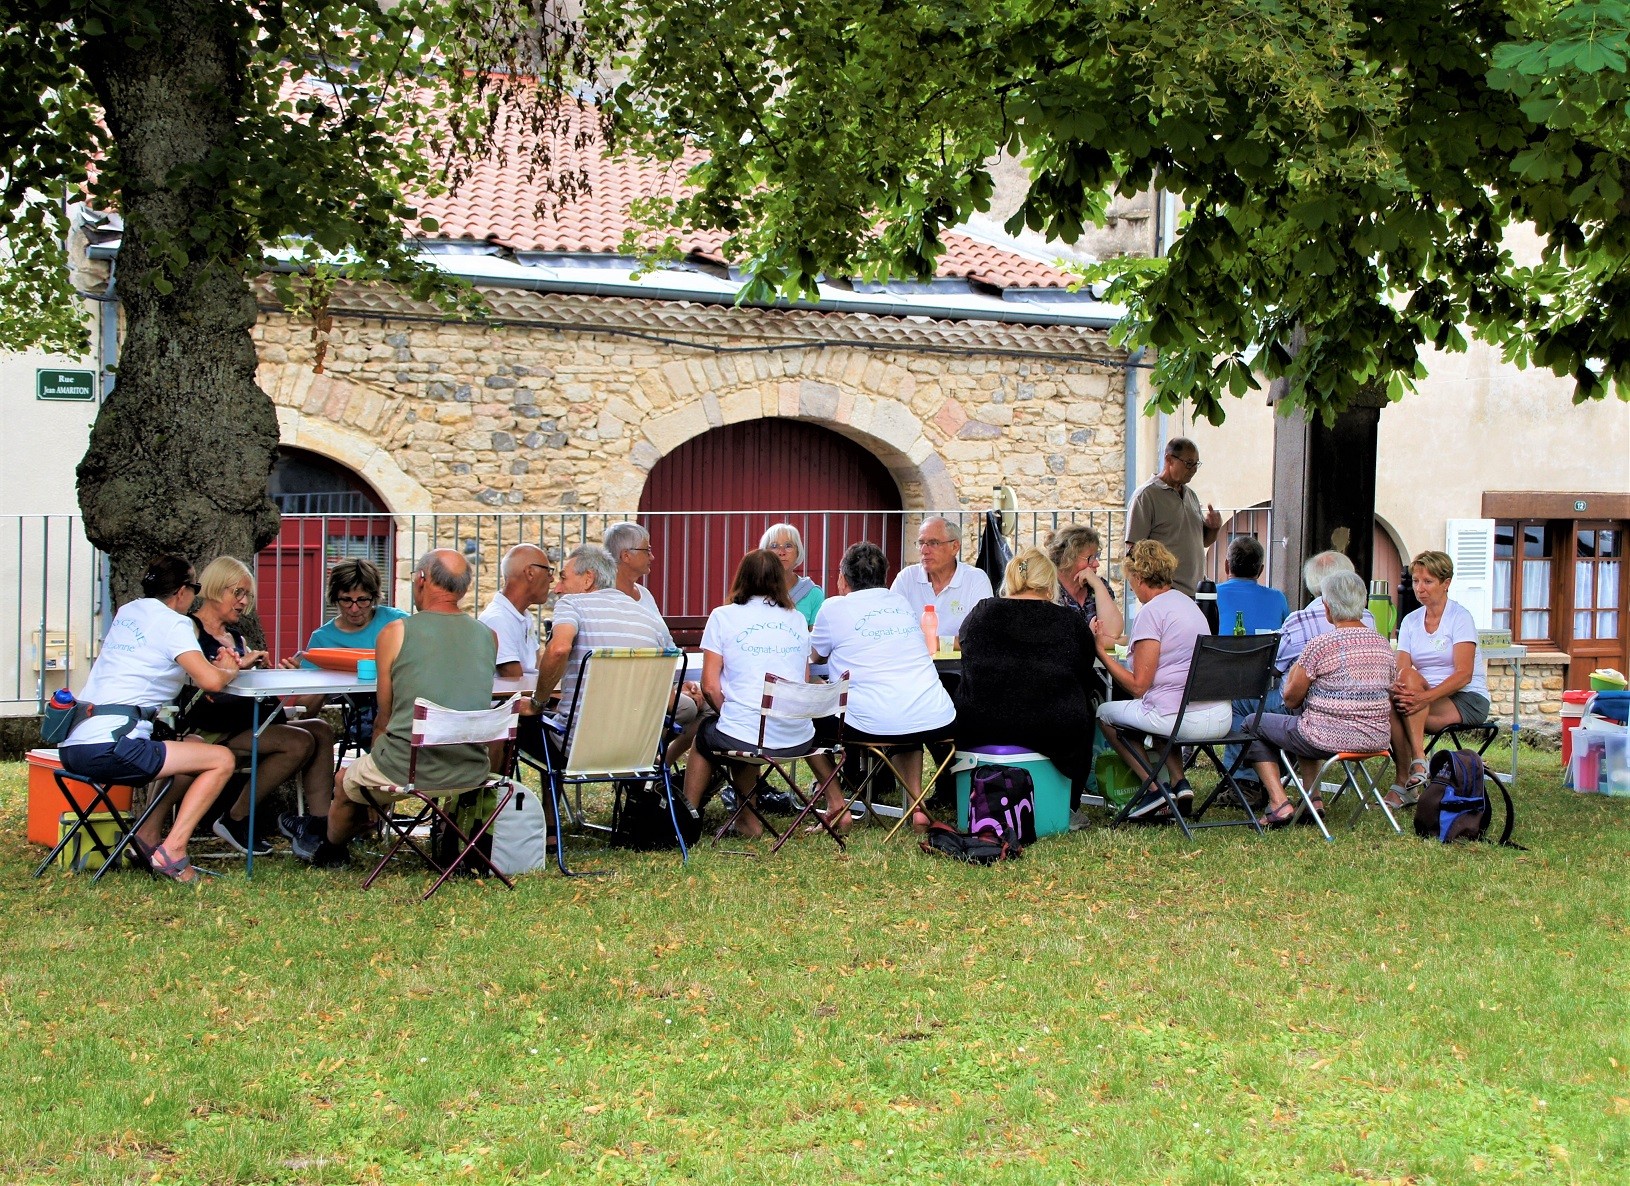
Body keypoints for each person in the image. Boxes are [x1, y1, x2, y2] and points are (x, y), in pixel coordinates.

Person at [292, 550, 498, 867]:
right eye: (347, 600)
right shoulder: (489, 636)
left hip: (410, 768)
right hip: (472, 768)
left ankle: (330, 850)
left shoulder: (396, 632)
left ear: (421, 580)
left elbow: (384, 718)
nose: (356, 608)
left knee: (346, 782)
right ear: (464, 588)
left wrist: (378, 756)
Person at [56, 554, 240, 883]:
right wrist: (227, 669)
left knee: (194, 747)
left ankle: (146, 838)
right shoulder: (176, 623)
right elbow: (211, 682)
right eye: (195, 588)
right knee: (222, 759)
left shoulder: (129, 612)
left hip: (74, 743)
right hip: (113, 746)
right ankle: (174, 852)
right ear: (183, 591)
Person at [181, 557, 337, 856]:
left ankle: (320, 828)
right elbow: (197, 682)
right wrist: (239, 667)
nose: (243, 602)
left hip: (246, 720)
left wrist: (275, 675)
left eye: (247, 596)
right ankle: (235, 818)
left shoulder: (236, 637)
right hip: (211, 725)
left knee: (321, 729)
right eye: (237, 593)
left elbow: (246, 685)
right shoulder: (191, 630)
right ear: (214, 588)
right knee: (298, 741)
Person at [802, 542, 956, 833]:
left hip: (871, 723)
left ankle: (837, 806)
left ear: (843, 579)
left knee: (806, 720)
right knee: (905, 724)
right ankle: (917, 807)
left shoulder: (833, 607)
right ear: (885, 576)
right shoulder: (900, 603)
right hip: (934, 718)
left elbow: (814, 656)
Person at [952, 547, 1100, 820]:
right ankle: (1068, 803)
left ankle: (955, 793)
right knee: (1086, 707)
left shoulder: (983, 612)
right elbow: (1084, 671)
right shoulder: (1070, 621)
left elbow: (964, 651)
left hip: (984, 725)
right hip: (1055, 729)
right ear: (1049, 583)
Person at [1240, 572, 1396, 827]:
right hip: (1375, 740)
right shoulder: (1383, 645)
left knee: (1252, 722)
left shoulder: (1320, 645)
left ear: (1327, 607)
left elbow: (1290, 699)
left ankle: (1279, 803)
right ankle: (1313, 798)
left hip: (1327, 739)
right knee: (1308, 717)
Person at [1094, 540, 1231, 819]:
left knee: (1105, 714)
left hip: (1182, 718)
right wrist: (1116, 641)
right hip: (1219, 713)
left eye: (1131, 580)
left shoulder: (1151, 612)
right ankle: (1180, 784)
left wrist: (1101, 651)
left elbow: (1138, 685)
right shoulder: (1186, 603)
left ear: (1140, 578)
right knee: (1153, 716)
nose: (1131, 587)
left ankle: (1155, 789)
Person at [682, 550, 813, 838]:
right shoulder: (797, 619)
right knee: (743, 727)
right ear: (779, 581)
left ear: (741, 577)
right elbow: (802, 682)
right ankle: (746, 820)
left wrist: (730, 711)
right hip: (798, 735)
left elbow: (710, 686)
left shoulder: (723, 616)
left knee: (709, 732)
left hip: (751, 731)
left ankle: (687, 815)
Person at [1225, 550, 1376, 791]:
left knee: (1246, 709)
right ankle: (1302, 787)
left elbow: (1278, 678)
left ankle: (1245, 781)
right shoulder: (1369, 623)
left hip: (1318, 723)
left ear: (1327, 605)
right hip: (1369, 729)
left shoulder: (1304, 625)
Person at [1389, 549, 1491, 807]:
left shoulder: (1460, 618)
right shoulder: (1411, 621)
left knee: (1401, 707)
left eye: (1428, 581)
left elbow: (1463, 674)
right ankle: (1416, 767)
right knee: (1402, 689)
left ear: (1446, 584)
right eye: (1415, 581)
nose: (1419, 589)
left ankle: (1407, 779)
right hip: (1422, 697)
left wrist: (1424, 697)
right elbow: (1401, 670)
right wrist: (1415, 695)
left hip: (1465, 696)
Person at [1124, 437, 1221, 599]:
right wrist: (1151, 590)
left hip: (1195, 591)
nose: (1194, 469)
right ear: (1169, 459)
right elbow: (1133, 550)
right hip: (1165, 592)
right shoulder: (1146, 496)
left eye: (1196, 464)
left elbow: (1203, 541)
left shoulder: (1191, 496)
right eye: (1189, 463)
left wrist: (1214, 528)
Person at [889, 516, 995, 640]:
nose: (924, 550)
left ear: (955, 547)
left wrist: (936, 644)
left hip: (960, 659)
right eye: (921, 543)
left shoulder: (975, 580)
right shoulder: (907, 577)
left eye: (933, 543)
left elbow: (981, 635)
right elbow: (891, 626)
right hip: (914, 658)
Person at [478, 544, 554, 678]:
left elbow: (535, 667)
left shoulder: (522, 615)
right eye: (548, 572)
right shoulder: (498, 620)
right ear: (530, 572)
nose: (551, 579)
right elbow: (515, 682)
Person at [1048, 524, 1124, 638]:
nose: (1096, 563)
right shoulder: (1048, 590)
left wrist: (1098, 585)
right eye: (1090, 558)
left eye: (1096, 556)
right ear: (1068, 558)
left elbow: (1113, 632)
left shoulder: (1098, 585)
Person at [1214, 535, 1289, 635]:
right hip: (1265, 651)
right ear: (1261, 570)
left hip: (1219, 650)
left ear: (1227, 566)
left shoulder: (1210, 595)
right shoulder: (1278, 598)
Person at [761, 522, 826, 627]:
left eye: (788, 545)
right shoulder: (753, 589)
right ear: (764, 552)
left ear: (798, 552)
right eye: (774, 546)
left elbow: (815, 641)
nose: (782, 552)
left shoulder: (813, 594)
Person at [604, 521, 663, 616]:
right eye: (647, 550)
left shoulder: (644, 593)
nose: (652, 557)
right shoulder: (602, 595)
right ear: (626, 556)